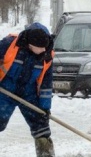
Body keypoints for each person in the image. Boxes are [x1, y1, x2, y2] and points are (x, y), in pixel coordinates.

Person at [0, 22, 55, 157]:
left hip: (28, 94)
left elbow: (46, 84)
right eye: (38, 48)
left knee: (41, 127)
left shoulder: (47, 54)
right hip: (5, 90)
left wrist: (45, 108)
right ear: (30, 45)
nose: (42, 51)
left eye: (44, 48)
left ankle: (46, 154)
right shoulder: (9, 44)